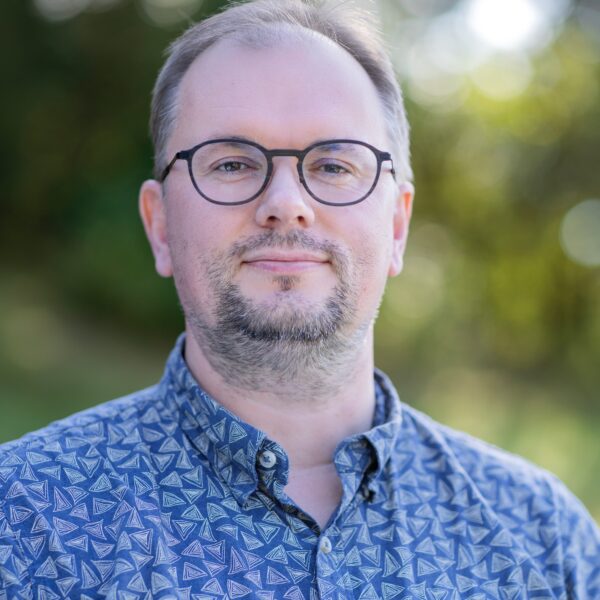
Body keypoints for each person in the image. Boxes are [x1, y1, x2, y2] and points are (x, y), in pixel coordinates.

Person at [1, 0, 599, 597]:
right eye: (232, 162)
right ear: (160, 227)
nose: (286, 202)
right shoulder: (23, 520)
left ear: (397, 227)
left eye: (334, 165)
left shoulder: (544, 538)